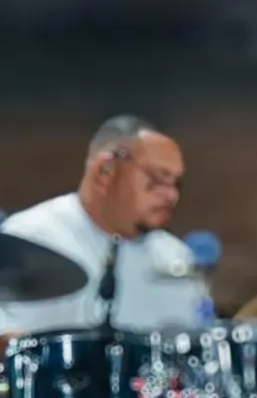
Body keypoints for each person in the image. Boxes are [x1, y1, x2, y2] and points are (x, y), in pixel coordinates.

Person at [0, 115, 208, 337]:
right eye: (158, 179)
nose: (172, 195)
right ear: (105, 170)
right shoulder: (30, 237)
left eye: (176, 183)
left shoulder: (177, 257)